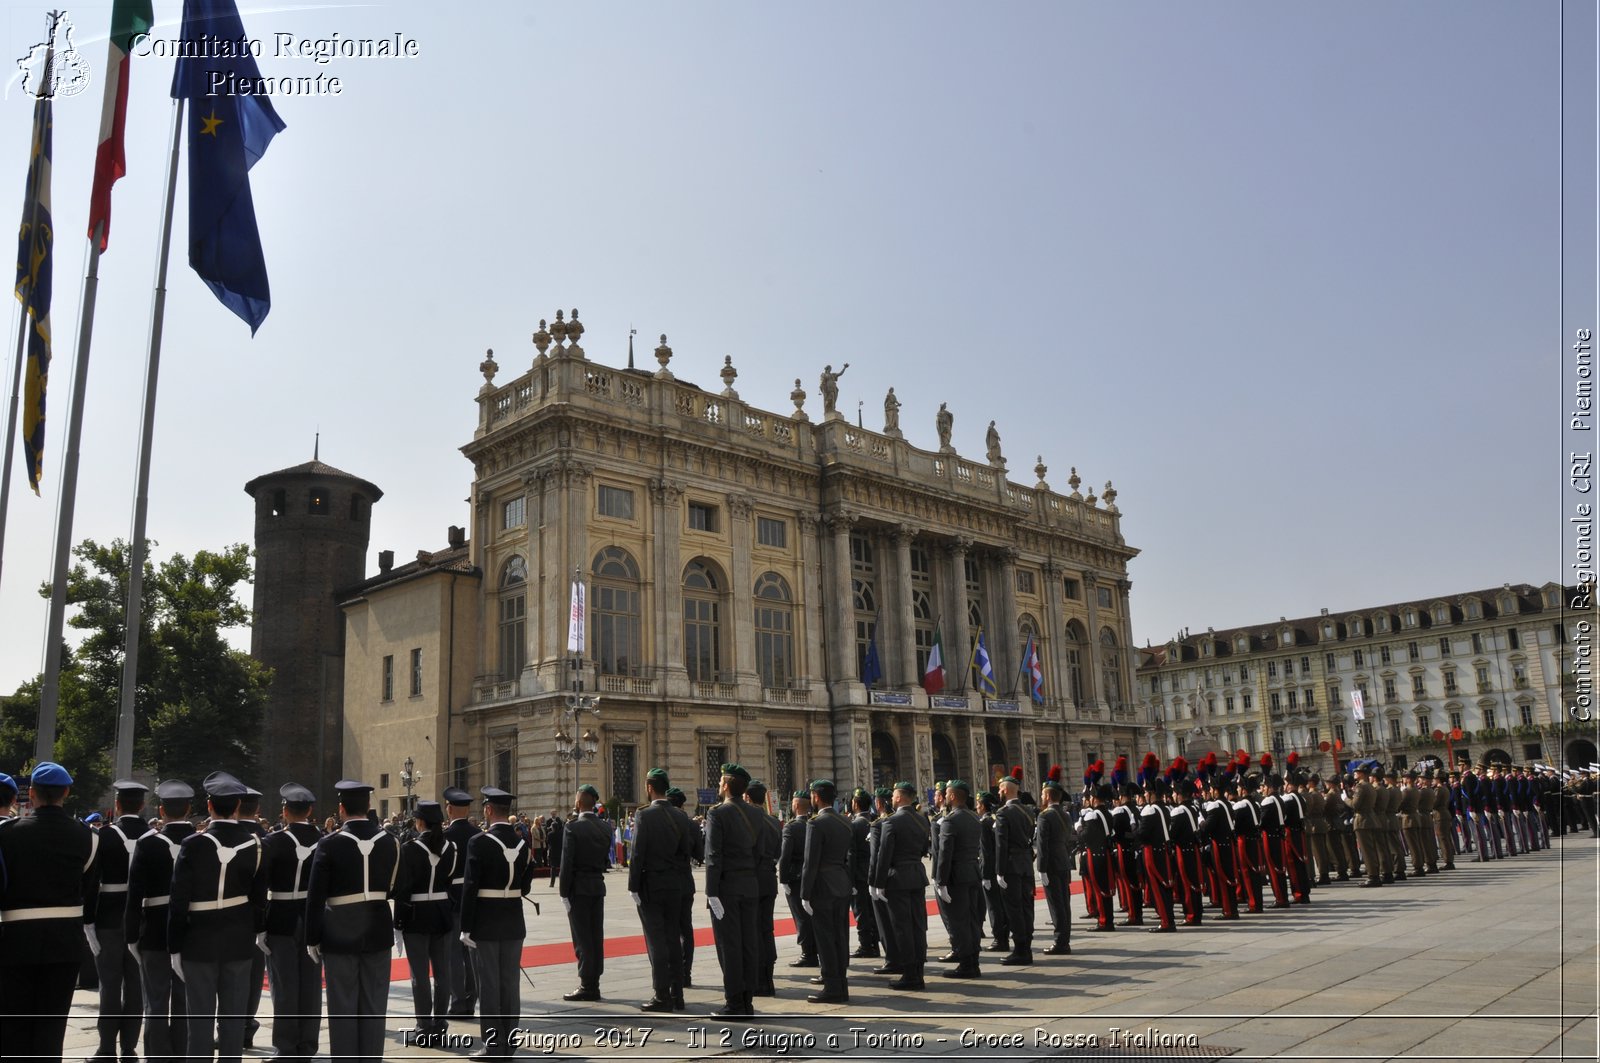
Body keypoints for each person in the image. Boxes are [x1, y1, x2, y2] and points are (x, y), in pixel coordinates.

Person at [0, 762, 99, 1061]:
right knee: (51, 1028)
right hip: (65, 943)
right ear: (66, 792)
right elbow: (89, 894)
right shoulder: (89, 837)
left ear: (30, 794)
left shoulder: (7, 834)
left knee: (13, 1028)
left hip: (15, 940)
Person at [169, 771, 267, 1063]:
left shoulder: (193, 844)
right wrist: (255, 930)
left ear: (209, 806)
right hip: (239, 940)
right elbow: (260, 899)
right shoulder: (256, 845)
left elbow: (178, 900)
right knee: (233, 1019)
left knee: (198, 1019)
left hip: (198, 940)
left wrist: (174, 945)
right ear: (238, 806)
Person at [304, 780, 399, 1063]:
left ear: (341, 809)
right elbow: (396, 887)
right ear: (369, 807)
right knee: (374, 1004)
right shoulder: (390, 841)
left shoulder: (329, 844)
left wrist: (312, 937)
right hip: (378, 930)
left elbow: (315, 896)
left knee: (342, 1005)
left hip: (340, 931)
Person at [460, 786, 533, 1059]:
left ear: (489, 810)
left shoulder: (478, 843)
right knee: (509, 986)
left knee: (488, 987)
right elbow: (525, 887)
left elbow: (470, 887)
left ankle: (492, 1045)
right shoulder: (523, 844)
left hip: (486, 923)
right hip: (514, 921)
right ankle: (510, 1043)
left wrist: (465, 927)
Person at [126, 779, 196, 1063]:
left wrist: (131, 935)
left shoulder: (148, 844)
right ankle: (180, 1053)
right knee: (183, 1001)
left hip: (153, 929)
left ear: (161, 809)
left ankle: (156, 1056)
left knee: (154, 1001)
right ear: (189, 809)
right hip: (190, 929)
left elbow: (134, 896)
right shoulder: (201, 842)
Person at [87, 778, 153, 1063]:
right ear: (142, 806)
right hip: (142, 917)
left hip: (109, 917)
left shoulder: (104, 835)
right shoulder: (153, 837)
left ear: (117, 804)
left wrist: (88, 921)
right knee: (136, 986)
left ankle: (105, 1048)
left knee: (109, 984)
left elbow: (90, 883)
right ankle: (129, 1047)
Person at [261, 783, 324, 1063]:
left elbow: (260, 885)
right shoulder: (325, 840)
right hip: (313, 917)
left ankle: (285, 1048)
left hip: (281, 916)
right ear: (310, 810)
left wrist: (259, 925)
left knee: (284, 985)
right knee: (311, 986)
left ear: (285, 811)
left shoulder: (273, 841)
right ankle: (308, 1045)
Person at [395, 800, 460, 1042]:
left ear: (420, 822)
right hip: (441, 912)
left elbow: (403, 889)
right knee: (443, 972)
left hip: (416, 914)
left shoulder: (409, 848)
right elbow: (451, 881)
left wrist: (398, 922)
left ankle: (423, 1025)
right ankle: (440, 1023)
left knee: (419, 975)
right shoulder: (451, 848)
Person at [630, 769, 692, 1012]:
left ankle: (661, 995)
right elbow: (685, 851)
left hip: (652, 885)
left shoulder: (644, 815)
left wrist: (633, 886)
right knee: (674, 939)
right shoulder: (680, 816)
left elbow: (637, 853)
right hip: (675, 884)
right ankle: (678, 995)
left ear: (649, 788)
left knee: (656, 940)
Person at [703, 762, 761, 1017]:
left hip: (727, 888)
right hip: (750, 886)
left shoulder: (717, 813)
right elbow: (761, 853)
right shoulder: (757, 813)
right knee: (749, 943)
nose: (718, 786)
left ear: (726, 786)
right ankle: (747, 999)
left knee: (729, 946)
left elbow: (714, 855)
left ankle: (735, 1002)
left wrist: (711, 892)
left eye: (719, 783)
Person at [872, 780, 931, 991]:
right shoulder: (922, 819)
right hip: (917, 875)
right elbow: (925, 847)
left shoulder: (892, 822)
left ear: (900, 797)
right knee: (918, 926)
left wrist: (878, 883)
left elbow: (884, 854)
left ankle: (909, 974)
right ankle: (918, 971)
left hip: (897, 878)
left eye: (894, 795)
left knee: (902, 927)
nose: (892, 799)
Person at [799, 779, 853, 1004]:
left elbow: (810, 862)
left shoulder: (816, 823)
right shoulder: (844, 822)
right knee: (840, 936)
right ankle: (841, 983)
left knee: (825, 938)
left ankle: (832, 987)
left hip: (822, 886)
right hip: (841, 883)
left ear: (817, 797)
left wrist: (805, 893)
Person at [559, 784, 612, 1001]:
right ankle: (595, 982)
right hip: (597, 885)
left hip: (578, 888)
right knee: (595, 936)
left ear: (579, 803)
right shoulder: (605, 827)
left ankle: (586, 985)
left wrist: (564, 893)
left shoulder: (573, 827)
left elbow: (567, 862)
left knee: (582, 938)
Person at [933, 779, 983, 979]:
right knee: (972, 921)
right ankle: (973, 961)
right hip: (972, 873)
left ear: (952, 796)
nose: (943, 797)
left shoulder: (950, 821)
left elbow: (945, 854)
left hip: (956, 878)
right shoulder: (973, 817)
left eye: (946, 794)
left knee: (958, 921)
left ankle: (966, 964)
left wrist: (941, 881)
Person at [440, 786, 480, 1022]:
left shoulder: (445, 837)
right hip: (473, 900)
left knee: (454, 954)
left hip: (453, 899)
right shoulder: (479, 835)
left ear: (450, 808)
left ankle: (458, 1003)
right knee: (471, 954)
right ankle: (471, 1000)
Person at [993, 769, 1037, 963]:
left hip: (1010, 866)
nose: (999, 792)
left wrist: (999, 871)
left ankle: (1020, 950)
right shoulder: (1028, 811)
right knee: (1027, 906)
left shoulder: (1003, 813)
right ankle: (1026, 945)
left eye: (1000, 789)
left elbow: (1001, 844)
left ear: (1006, 790)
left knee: (1013, 908)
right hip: (1026, 863)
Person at [743, 780, 781, 997]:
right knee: (767, 930)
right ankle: (768, 978)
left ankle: (759, 980)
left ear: (747, 798)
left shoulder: (749, 820)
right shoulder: (774, 822)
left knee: (753, 930)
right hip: (769, 879)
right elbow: (778, 851)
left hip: (753, 881)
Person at [1034, 766, 1076, 952]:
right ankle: (1064, 939)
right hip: (1064, 862)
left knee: (1055, 904)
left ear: (1049, 796)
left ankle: (1060, 942)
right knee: (1064, 904)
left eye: (1043, 795)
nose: (1041, 798)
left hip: (1051, 864)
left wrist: (1041, 869)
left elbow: (1042, 845)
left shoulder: (1045, 816)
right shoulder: (1066, 815)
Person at [665, 787, 701, 988]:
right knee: (685, 929)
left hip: (666, 882)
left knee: (668, 929)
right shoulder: (692, 825)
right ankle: (686, 973)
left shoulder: (661, 822)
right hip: (686, 881)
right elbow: (699, 854)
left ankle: (673, 973)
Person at [779, 790, 816, 967]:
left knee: (800, 916)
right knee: (813, 915)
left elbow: (785, 855)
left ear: (795, 806)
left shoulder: (791, 827)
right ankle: (816, 949)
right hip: (814, 876)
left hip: (795, 877)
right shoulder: (814, 823)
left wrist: (783, 878)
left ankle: (807, 953)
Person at [846, 788, 879, 958]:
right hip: (872, 872)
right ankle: (875, 943)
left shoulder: (854, 824)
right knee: (872, 911)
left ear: (856, 804)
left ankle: (866, 945)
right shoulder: (875, 821)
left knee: (860, 911)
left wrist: (849, 879)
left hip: (858, 874)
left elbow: (851, 854)